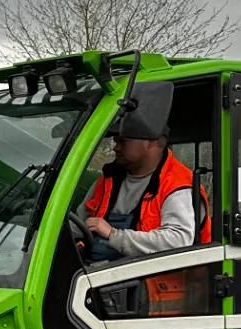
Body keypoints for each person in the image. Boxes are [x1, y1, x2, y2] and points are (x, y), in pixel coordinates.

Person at [84, 83, 212, 262]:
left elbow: (179, 241)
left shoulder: (178, 186)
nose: (116, 147)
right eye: (116, 140)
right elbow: (80, 223)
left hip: (149, 284)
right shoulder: (108, 178)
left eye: (123, 141)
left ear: (151, 142)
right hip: (97, 274)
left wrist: (113, 234)